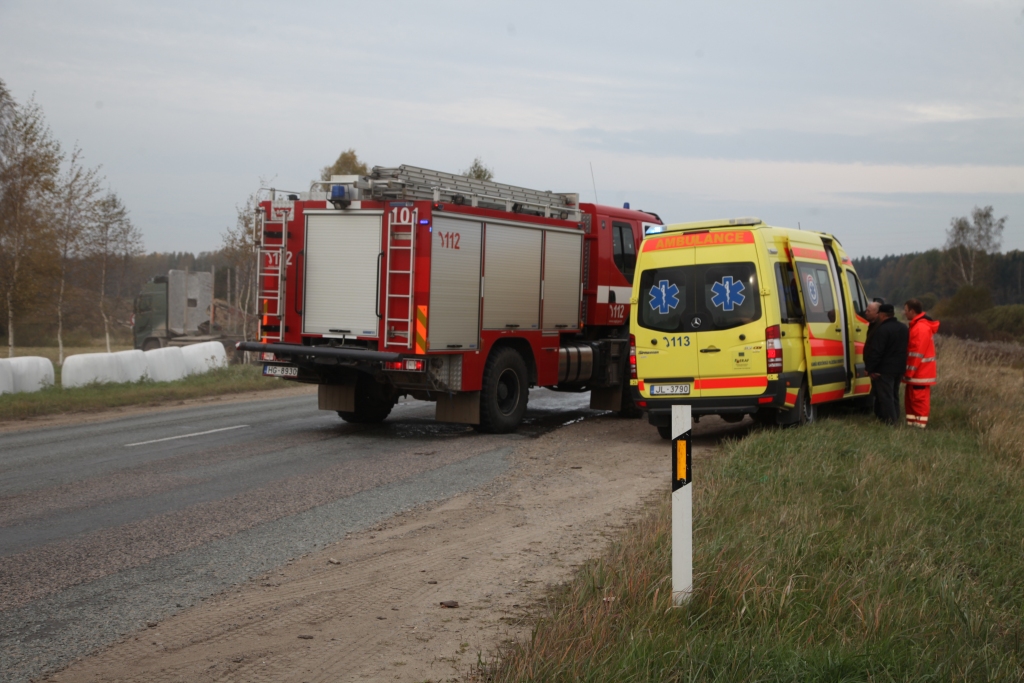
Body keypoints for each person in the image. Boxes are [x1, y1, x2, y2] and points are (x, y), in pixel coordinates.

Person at [863, 303, 908, 425]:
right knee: (894, 394)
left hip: (885, 369)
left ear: (882, 315)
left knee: (885, 396)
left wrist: (869, 368)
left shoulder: (882, 329)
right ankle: (896, 417)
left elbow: (877, 351)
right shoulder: (904, 328)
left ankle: (890, 422)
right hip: (899, 368)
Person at [903, 299, 940, 428]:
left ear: (912, 311)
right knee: (911, 400)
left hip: (919, 374)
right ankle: (913, 424)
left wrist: (909, 372)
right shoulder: (919, 326)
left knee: (918, 400)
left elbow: (916, 354)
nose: (904, 313)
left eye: (906, 310)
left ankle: (919, 425)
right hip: (918, 374)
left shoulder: (920, 328)